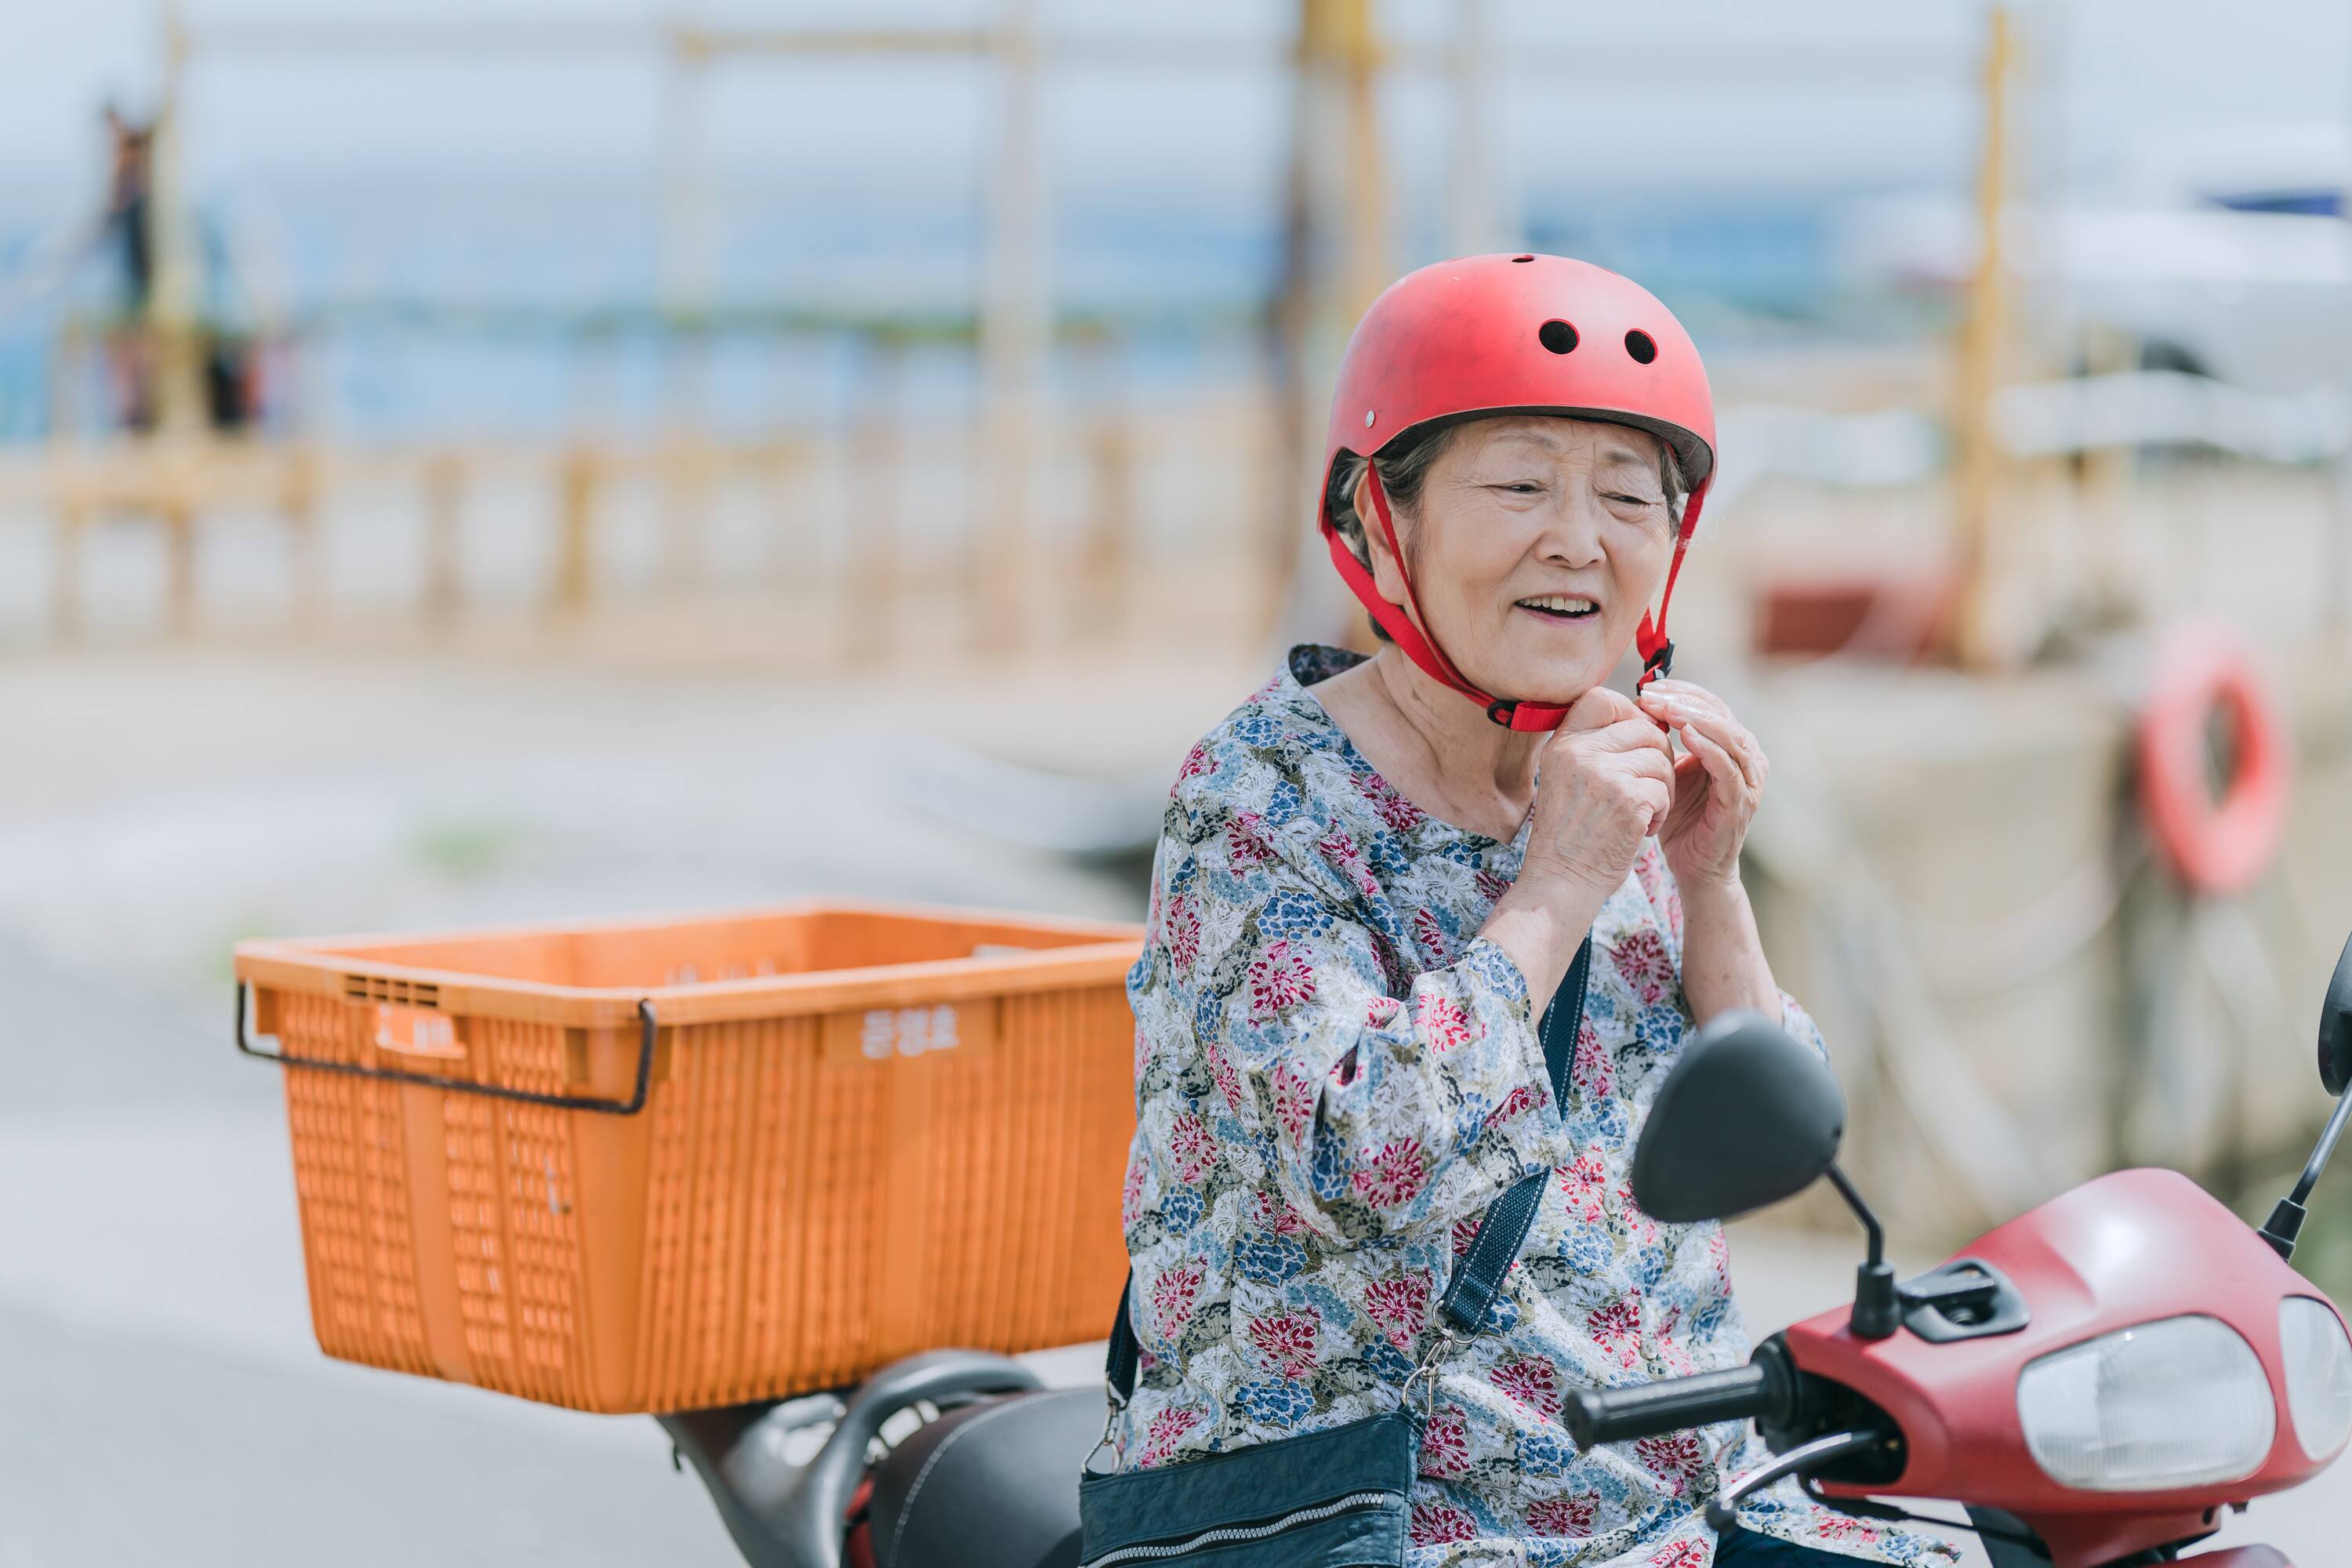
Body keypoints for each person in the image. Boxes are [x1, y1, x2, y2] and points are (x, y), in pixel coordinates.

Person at [1108, 255, 1957, 1566]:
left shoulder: (1616, 787)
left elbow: (1776, 1137)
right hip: (1375, 1520)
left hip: (1683, 1509)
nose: (1579, 538)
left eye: (1628, 496)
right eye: (1518, 485)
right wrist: (1558, 881)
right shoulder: (1262, 798)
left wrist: (1709, 878)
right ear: (1384, 520)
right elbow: (1370, 1161)